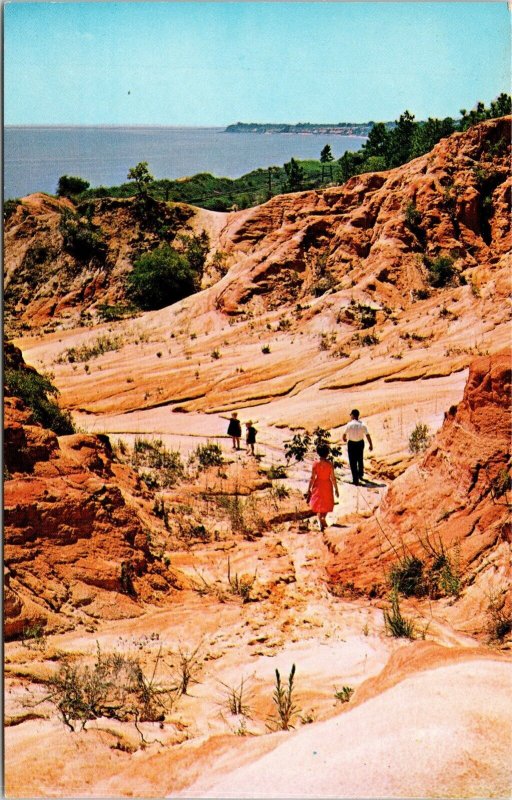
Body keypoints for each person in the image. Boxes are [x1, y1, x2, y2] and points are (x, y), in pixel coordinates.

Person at [306, 443, 339, 531]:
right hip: (327, 483)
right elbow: (333, 478)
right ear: (327, 453)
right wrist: (336, 489)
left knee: (319, 502)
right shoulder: (329, 464)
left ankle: (321, 520)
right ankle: (323, 517)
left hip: (318, 484)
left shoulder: (315, 464)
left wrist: (309, 488)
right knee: (327, 501)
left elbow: (312, 478)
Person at [342, 409, 373, 485]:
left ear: (352, 415)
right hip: (360, 443)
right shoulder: (362, 424)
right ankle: (360, 475)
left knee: (352, 461)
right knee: (360, 459)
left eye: (351, 415)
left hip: (352, 444)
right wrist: (370, 444)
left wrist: (344, 439)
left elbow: (344, 435)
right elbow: (367, 435)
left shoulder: (349, 424)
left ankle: (355, 480)